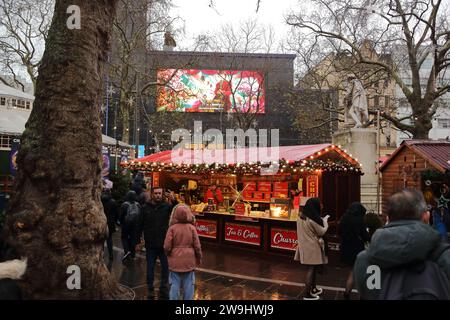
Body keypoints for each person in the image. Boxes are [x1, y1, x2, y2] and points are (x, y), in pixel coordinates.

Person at [354, 189, 450, 300]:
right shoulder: (443, 257)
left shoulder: (365, 259)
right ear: (426, 216)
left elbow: (367, 294)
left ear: (388, 218)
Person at [140, 187, 178, 299]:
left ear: (162, 194)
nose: (157, 195)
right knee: (150, 267)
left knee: (165, 267)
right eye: (155, 193)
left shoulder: (166, 206)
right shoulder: (145, 207)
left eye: (159, 193)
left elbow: (178, 210)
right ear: (152, 194)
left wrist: (174, 200)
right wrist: (138, 240)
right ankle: (150, 288)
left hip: (163, 243)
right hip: (150, 243)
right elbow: (140, 224)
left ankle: (163, 287)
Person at [164, 205, 202, 300]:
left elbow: (167, 246)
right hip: (189, 261)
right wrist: (199, 257)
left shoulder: (172, 228)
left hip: (175, 261)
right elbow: (197, 246)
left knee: (174, 285)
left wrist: (168, 254)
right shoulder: (192, 228)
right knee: (189, 285)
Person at [294, 198, 330, 300]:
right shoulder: (311, 220)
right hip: (313, 247)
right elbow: (322, 231)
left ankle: (313, 289)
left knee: (313, 269)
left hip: (304, 246)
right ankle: (307, 294)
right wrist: (325, 221)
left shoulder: (300, 217)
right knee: (311, 269)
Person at [339, 202, 370, 300]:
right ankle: (361, 295)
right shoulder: (359, 220)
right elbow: (365, 236)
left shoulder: (344, 217)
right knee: (360, 272)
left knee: (352, 271)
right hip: (357, 249)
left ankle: (347, 293)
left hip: (346, 248)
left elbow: (339, 232)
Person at [120, 190, 141, 262]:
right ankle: (133, 254)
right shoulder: (138, 204)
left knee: (124, 237)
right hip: (135, 225)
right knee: (133, 238)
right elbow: (140, 215)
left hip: (126, 224)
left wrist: (121, 223)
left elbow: (121, 216)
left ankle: (127, 251)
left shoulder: (124, 205)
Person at [101, 188, 119, 260]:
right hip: (110, 223)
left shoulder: (100, 201)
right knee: (109, 239)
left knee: (101, 239)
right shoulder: (113, 202)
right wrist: (115, 221)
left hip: (102, 221)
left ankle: (101, 254)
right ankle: (111, 254)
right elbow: (117, 213)